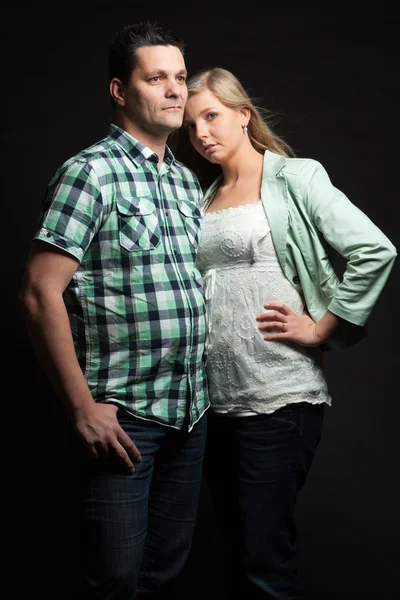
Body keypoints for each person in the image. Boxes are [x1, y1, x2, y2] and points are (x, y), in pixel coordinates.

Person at [178, 67, 397, 599]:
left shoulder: (295, 178)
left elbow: (375, 250)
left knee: (263, 559)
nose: (202, 133)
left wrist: (323, 326)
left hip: (277, 398)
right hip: (213, 403)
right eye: (190, 125)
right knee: (237, 549)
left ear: (242, 114)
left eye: (211, 115)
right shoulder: (199, 196)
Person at [18, 21, 209, 599]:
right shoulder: (91, 173)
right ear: (121, 92)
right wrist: (82, 408)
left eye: (179, 77)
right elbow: (37, 292)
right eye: (157, 78)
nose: (176, 90)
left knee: (166, 574)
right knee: (117, 581)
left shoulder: (182, 180)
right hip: (122, 417)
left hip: (191, 412)